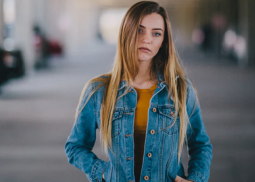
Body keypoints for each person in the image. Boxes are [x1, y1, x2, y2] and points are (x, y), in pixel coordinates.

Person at [65, 1, 213, 182]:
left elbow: (200, 145)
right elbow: (75, 146)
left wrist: (196, 179)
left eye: (156, 33)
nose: (147, 39)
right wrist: (102, 171)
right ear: (126, 32)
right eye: (140, 30)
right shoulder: (99, 91)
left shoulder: (181, 89)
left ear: (163, 42)